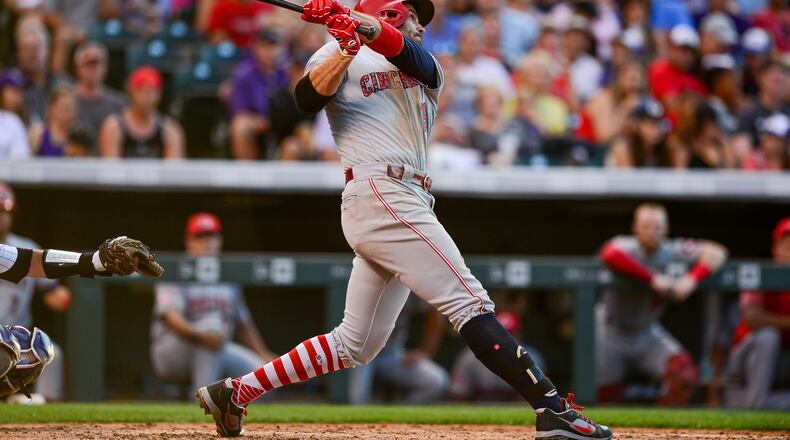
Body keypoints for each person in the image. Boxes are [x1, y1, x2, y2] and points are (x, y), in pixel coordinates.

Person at [196, 0, 612, 438]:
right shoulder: (335, 53)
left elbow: (404, 52)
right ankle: (551, 409)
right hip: (380, 189)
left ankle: (236, 392)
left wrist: (359, 27)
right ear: (391, 10)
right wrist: (345, 47)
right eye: (412, 14)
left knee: (356, 343)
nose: (420, 24)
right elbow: (301, 103)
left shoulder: (424, 64)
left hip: (406, 194)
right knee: (469, 301)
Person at [0, 185, 161, 400]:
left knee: (36, 348)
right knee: (5, 343)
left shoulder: (19, 246)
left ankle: (39, 402)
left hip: (13, 324)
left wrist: (97, 261)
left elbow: (29, 262)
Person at [597, 203, 728, 405]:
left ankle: (661, 432)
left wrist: (692, 279)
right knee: (604, 396)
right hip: (610, 330)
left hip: (647, 332)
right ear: (634, 228)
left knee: (684, 374)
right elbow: (610, 254)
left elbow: (718, 252)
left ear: (666, 229)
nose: (652, 232)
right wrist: (652, 278)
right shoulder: (626, 245)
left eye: (657, 227)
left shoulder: (673, 250)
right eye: (646, 227)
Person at [150, 212, 276, 397]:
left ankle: (238, 414)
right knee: (212, 329)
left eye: (211, 236)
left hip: (217, 346)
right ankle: (202, 406)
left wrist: (263, 353)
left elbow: (243, 324)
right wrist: (202, 335)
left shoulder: (227, 276)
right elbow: (172, 318)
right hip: (171, 350)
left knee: (262, 374)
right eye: (200, 237)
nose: (207, 242)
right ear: (189, 241)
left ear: (220, 240)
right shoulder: (177, 269)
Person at [0, 184, 71, 402]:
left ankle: (38, 407)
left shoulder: (24, 247)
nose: (1, 217)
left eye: (5, 212)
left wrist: (63, 296)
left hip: (16, 338)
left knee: (52, 353)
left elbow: (54, 295)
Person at [721, 217, 790, 409]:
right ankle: (756, 407)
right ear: (776, 248)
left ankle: (766, 404)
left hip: (782, 366)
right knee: (768, 336)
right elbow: (752, 318)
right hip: (744, 368)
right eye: (787, 245)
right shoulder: (763, 273)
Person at [348, 295, 448, 404]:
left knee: (436, 381)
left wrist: (424, 352)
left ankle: (401, 417)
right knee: (357, 397)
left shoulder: (412, 282)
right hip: (361, 352)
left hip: (392, 354)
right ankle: (363, 417)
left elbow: (435, 317)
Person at [450, 294, 546, 402]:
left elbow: (534, 400)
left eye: (510, 334)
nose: (505, 339)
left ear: (519, 334)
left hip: (514, 413)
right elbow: (459, 398)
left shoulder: (532, 357)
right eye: (502, 334)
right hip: (479, 412)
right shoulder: (469, 357)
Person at [227, 30, 289, 160]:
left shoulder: (287, 73)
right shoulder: (244, 75)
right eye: (265, 47)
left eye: (273, 47)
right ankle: (249, 175)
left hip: (285, 123)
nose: (270, 52)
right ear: (256, 48)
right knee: (240, 126)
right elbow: (239, 112)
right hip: (258, 121)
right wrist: (264, 122)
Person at [98, 66, 185, 159]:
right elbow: (110, 168)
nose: (147, 96)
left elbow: (173, 170)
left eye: (151, 90)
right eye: (141, 89)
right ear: (131, 91)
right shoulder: (113, 127)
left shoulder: (170, 130)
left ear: (159, 93)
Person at [15, 17, 71, 125]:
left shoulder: (63, 83)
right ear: (19, 55)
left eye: (36, 48)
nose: (32, 54)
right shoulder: (14, 86)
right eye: (26, 50)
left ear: (47, 50)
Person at [732, 60, 790, 165]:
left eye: (783, 80)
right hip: (758, 169)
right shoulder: (749, 111)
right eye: (775, 80)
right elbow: (740, 146)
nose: (779, 85)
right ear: (760, 80)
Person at [72, 42, 125, 151]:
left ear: (105, 67)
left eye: (97, 65)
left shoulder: (119, 104)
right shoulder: (66, 103)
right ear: (77, 67)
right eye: (88, 65)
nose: (93, 70)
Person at [647, 24, 706, 118]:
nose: (687, 56)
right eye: (682, 50)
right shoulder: (660, 70)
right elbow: (672, 106)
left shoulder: (696, 81)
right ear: (671, 48)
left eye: (691, 51)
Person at [606, 98, 672, 168]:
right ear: (637, 124)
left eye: (658, 124)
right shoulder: (623, 148)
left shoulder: (664, 149)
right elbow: (628, 178)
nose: (656, 130)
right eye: (650, 124)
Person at [28, 86, 77, 157]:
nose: (66, 112)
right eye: (62, 107)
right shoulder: (37, 134)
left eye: (69, 108)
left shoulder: (77, 137)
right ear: (51, 108)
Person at [206, 0, 273, 48]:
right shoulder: (223, 6)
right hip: (231, 52)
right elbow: (217, 39)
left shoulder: (265, 7)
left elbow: (271, 34)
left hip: (257, 51)